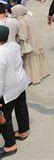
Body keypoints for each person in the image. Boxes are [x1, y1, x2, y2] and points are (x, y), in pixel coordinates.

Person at [0, 25, 30, 157]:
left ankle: (10, 146)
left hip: (8, 90)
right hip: (20, 82)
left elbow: (0, 80)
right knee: (21, 107)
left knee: (4, 118)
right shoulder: (13, 45)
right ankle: (23, 131)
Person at [11, 5, 49, 85]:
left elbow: (23, 36)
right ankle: (42, 73)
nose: (13, 15)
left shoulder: (21, 22)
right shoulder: (27, 17)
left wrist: (16, 38)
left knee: (30, 61)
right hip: (35, 41)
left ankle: (33, 78)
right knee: (38, 58)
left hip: (29, 43)